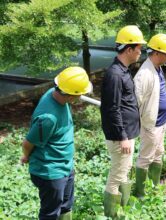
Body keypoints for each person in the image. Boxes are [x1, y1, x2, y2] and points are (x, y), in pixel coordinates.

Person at [21, 66, 93, 220]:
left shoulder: (56, 93)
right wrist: (26, 156)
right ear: (71, 95)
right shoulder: (48, 117)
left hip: (65, 166)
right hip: (51, 172)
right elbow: (27, 143)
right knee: (51, 213)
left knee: (66, 206)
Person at [100, 25, 146, 217]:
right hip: (121, 136)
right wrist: (123, 136)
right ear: (129, 49)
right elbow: (111, 109)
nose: (140, 52)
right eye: (138, 49)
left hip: (127, 133)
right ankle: (112, 213)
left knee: (124, 170)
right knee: (117, 175)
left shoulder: (124, 70)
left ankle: (123, 208)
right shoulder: (115, 74)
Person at [133, 33, 166, 198]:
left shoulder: (157, 68)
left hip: (161, 122)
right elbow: (136, 103)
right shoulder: (144, 75)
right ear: (156, 53)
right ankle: (140, 193)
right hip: (151, 124)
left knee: (158, 154)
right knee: (145, 157)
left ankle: (154, 186)